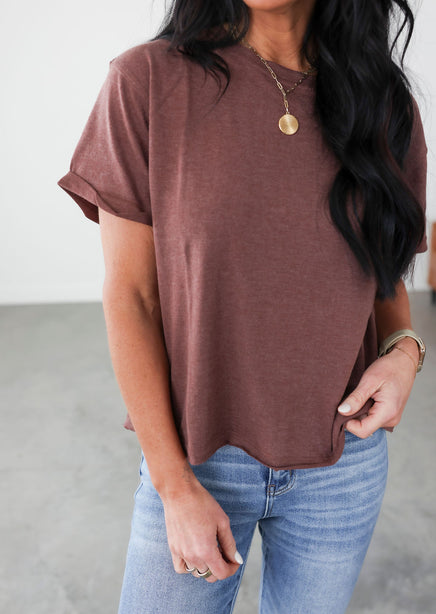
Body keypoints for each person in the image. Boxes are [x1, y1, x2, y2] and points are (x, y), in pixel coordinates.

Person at [57, 1, 428, 612]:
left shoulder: (384, 103)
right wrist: (174, 486)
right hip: (198, 455)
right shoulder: (147, 81)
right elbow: (131, 296)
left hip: (344, 458)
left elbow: (384, 272)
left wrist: (404, 351)